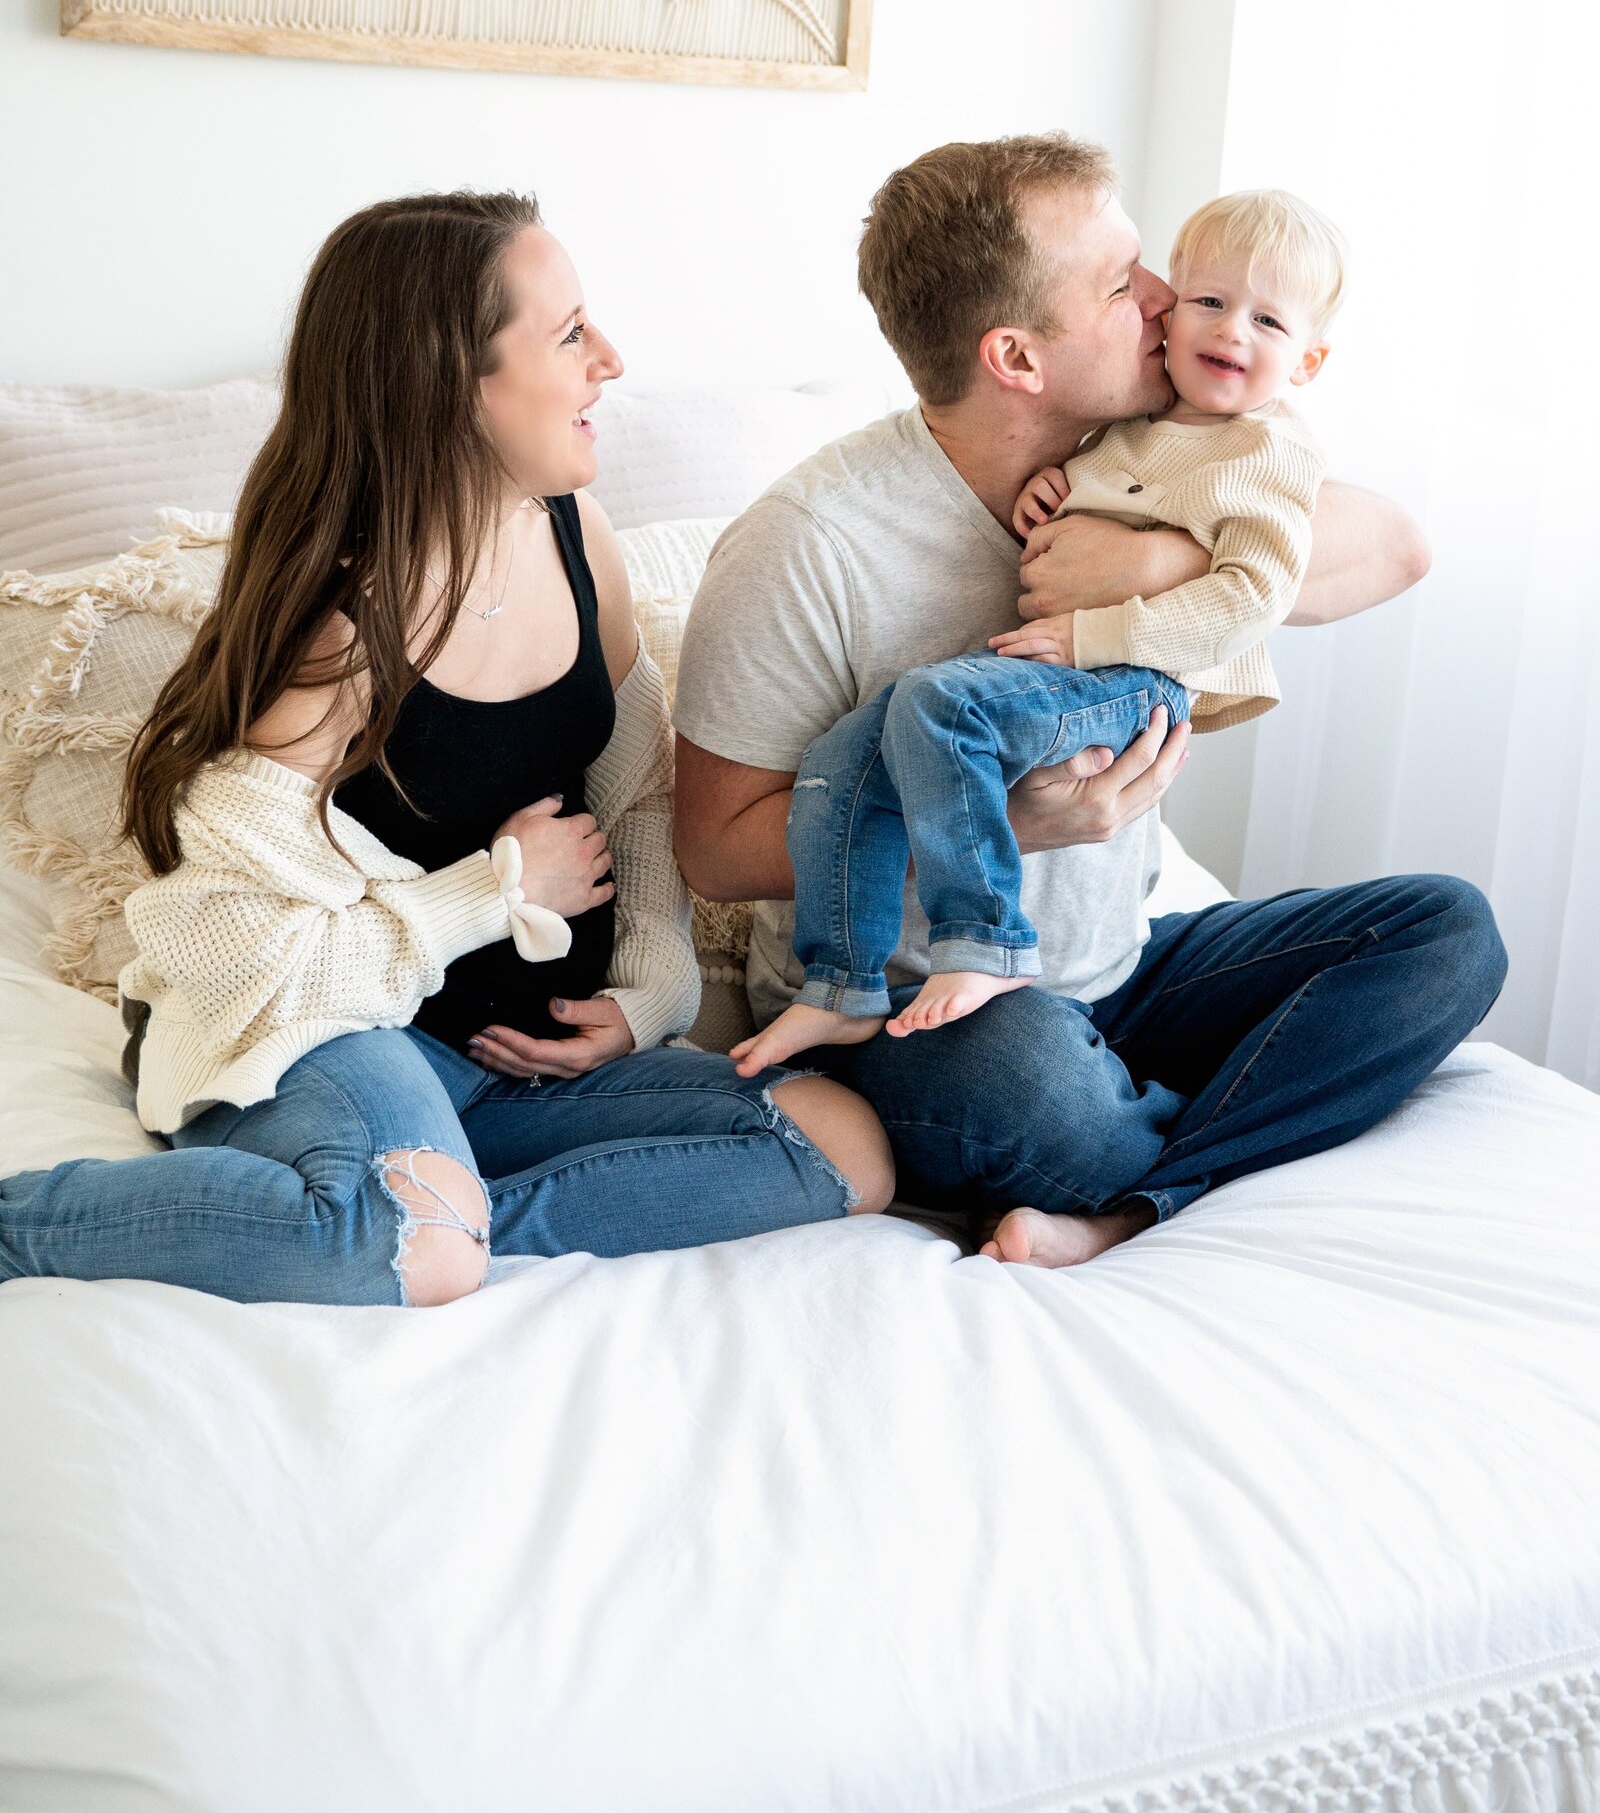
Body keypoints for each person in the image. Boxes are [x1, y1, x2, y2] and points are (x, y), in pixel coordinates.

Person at [0, 192, 892, 1307]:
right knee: (415, 1239)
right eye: (569, 334)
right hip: (328, 1037)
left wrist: (648, 992)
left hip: (523, 1060)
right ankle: (33, 1227)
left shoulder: (576, 535)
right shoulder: (337, 629)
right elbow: (229, 956)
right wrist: (490, 893)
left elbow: (638, 796)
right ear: (449, 381)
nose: (609, 359)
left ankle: (444, 1215)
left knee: (840, 1142)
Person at [673, 135, 1507, 1266]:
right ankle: (1159, 1137)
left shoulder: (1161, 460)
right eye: (1123, 286)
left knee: (1447, 933)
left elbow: (1396, 547)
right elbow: (715, 851)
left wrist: (1163, 564)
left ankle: (1127, 1197)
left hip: (1122, 962)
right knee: (1034, 1088)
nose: (1167, 301)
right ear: (1015, 355)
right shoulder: (807, 545)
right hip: (923, 1010)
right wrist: (1009, 822)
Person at [728, 187, 1337, 1068]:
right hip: (1076, 675)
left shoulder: (1267, 446)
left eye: (1268, 321)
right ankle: (843, 987)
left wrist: (1136, 589)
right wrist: (1058, 491)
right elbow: (1113, 484)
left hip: (1132, 669)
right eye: (1188, 295)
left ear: (1308, 361)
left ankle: (985, 944)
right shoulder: (1135, 421)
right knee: (843, 761)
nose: (1204, 319)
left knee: (1441, 927)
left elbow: (1269, 590)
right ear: (1015, 356)